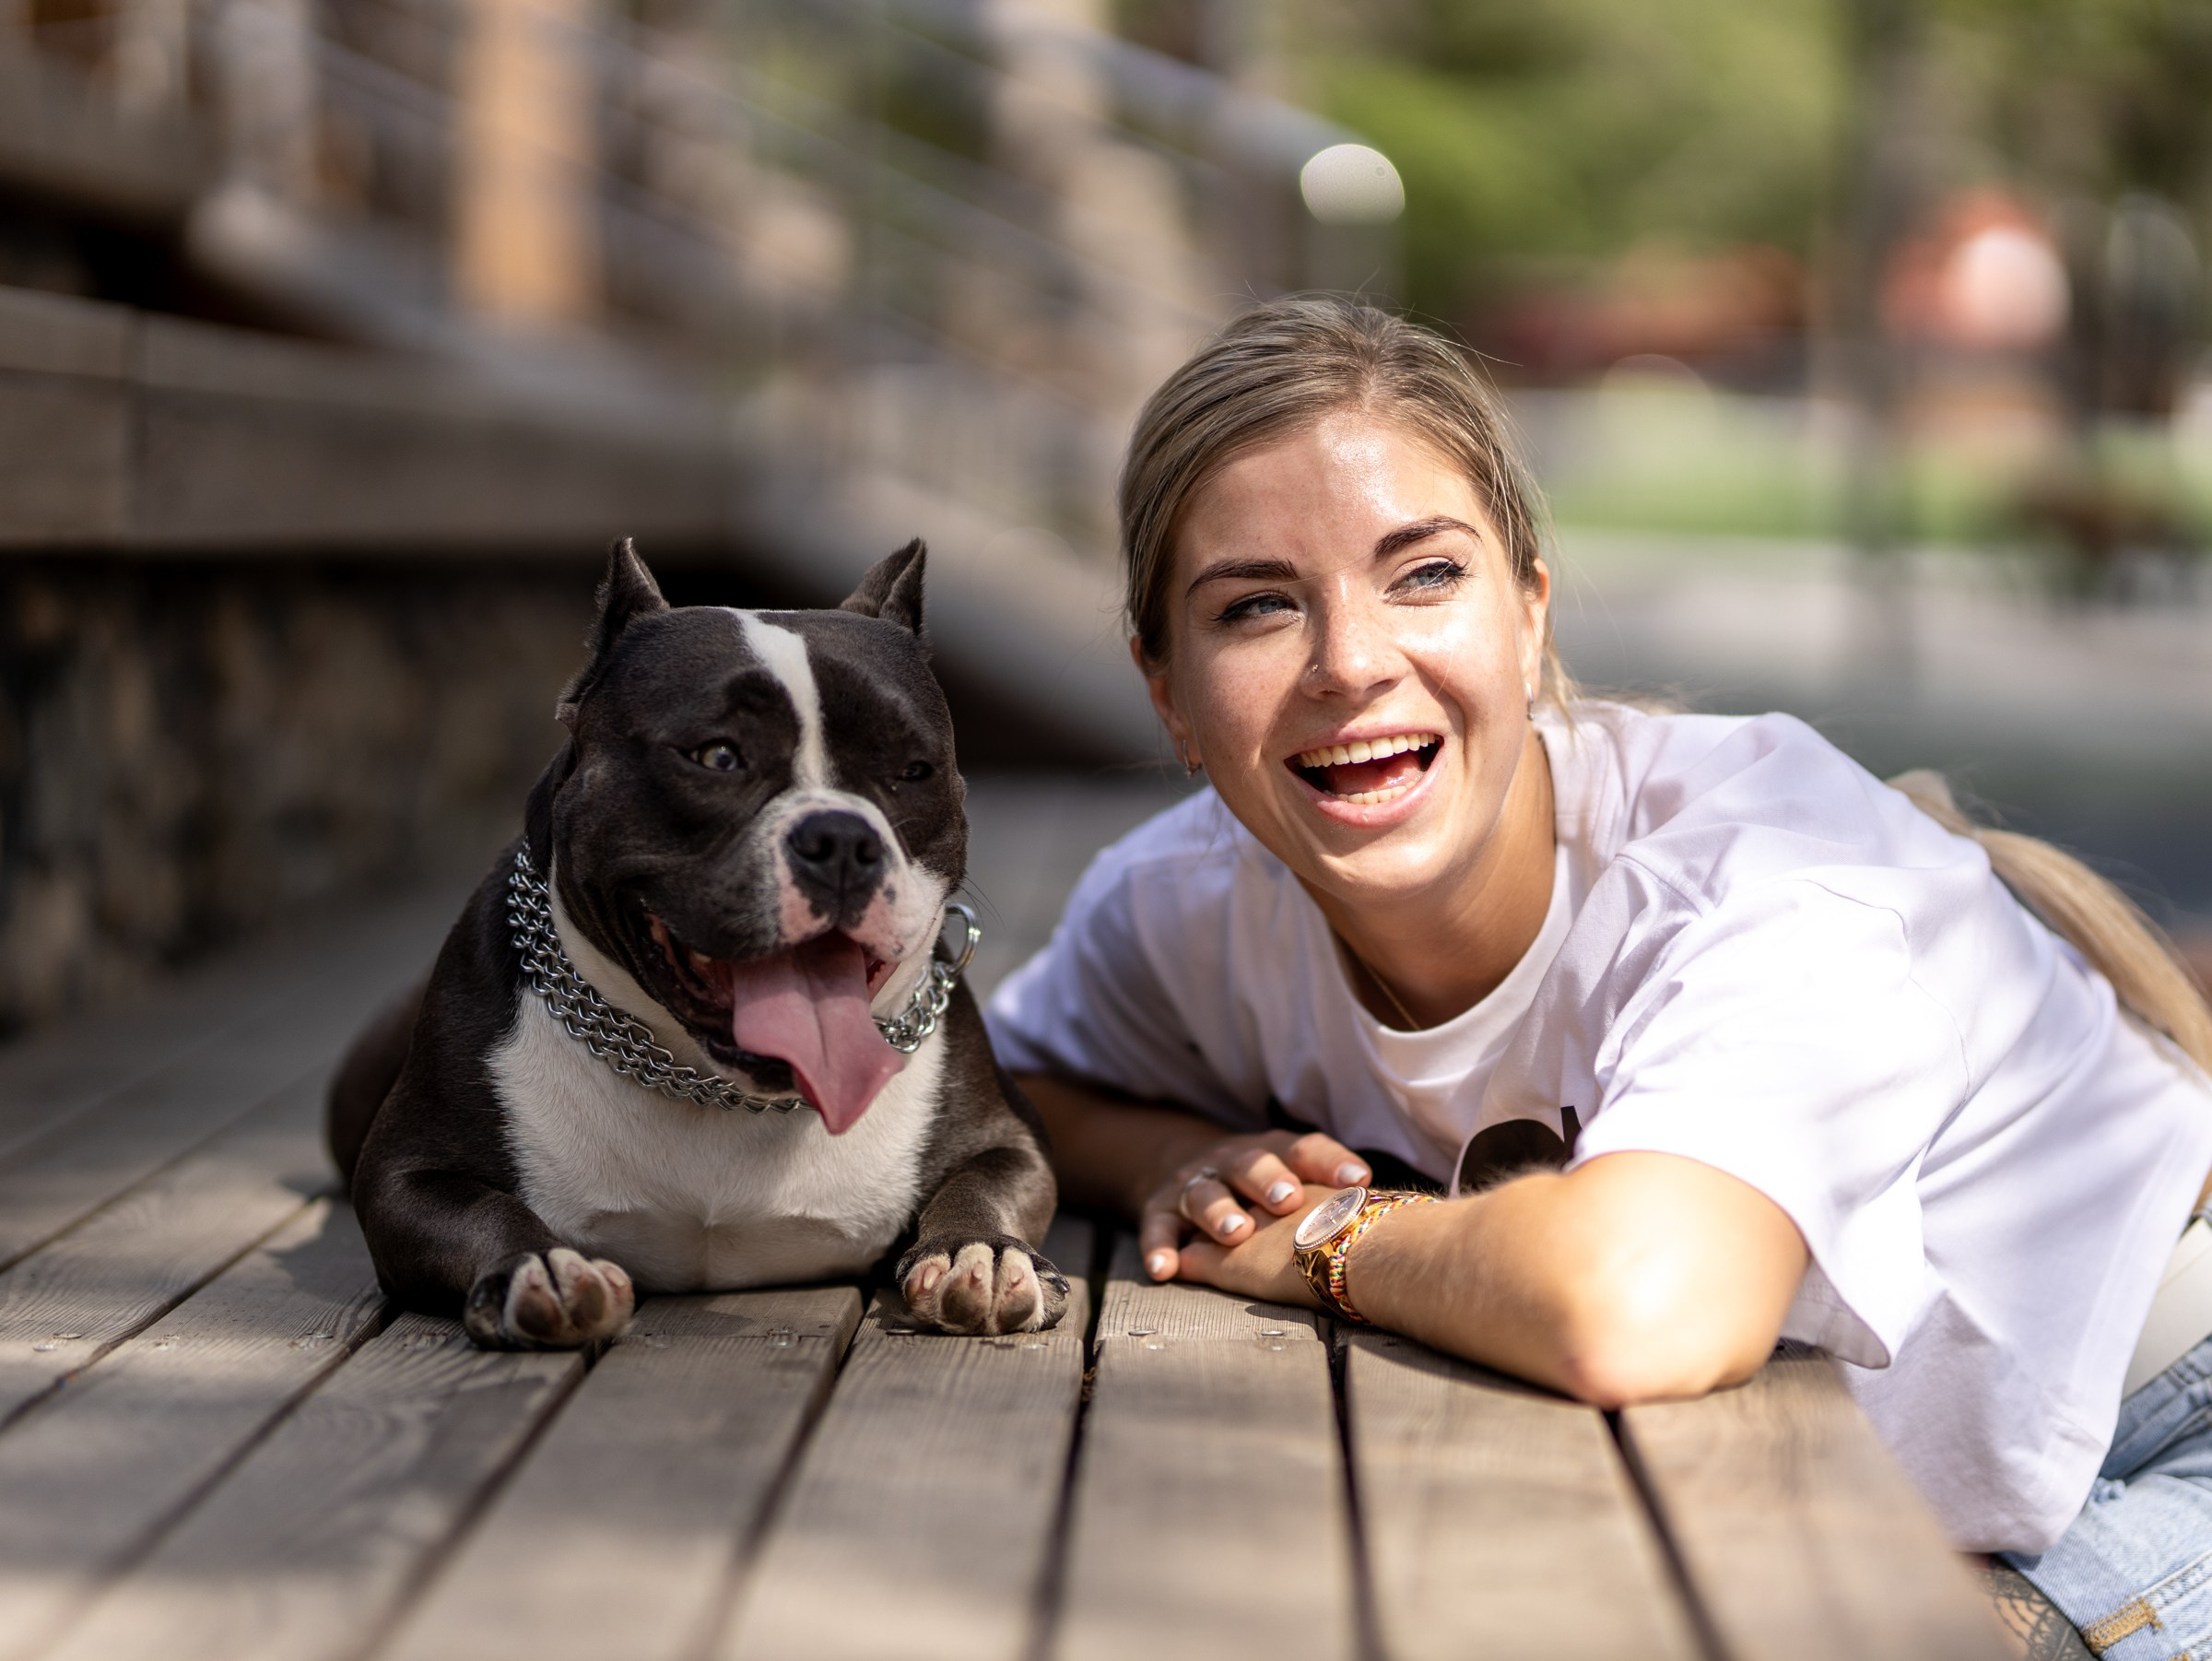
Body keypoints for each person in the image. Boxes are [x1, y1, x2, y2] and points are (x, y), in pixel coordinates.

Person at [983, 295, 2212, 1658]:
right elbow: (997, 1086)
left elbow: (1636, 1302)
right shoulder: (1193, 903)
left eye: (1423, 575)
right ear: (1167, 693)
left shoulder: (1770, 871)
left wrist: (1321, 1235)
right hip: (1852, 1492)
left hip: (2163, 1431)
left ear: (1529, 614)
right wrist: (1177, 1155)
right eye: (1257, 606)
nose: (1350, 663)